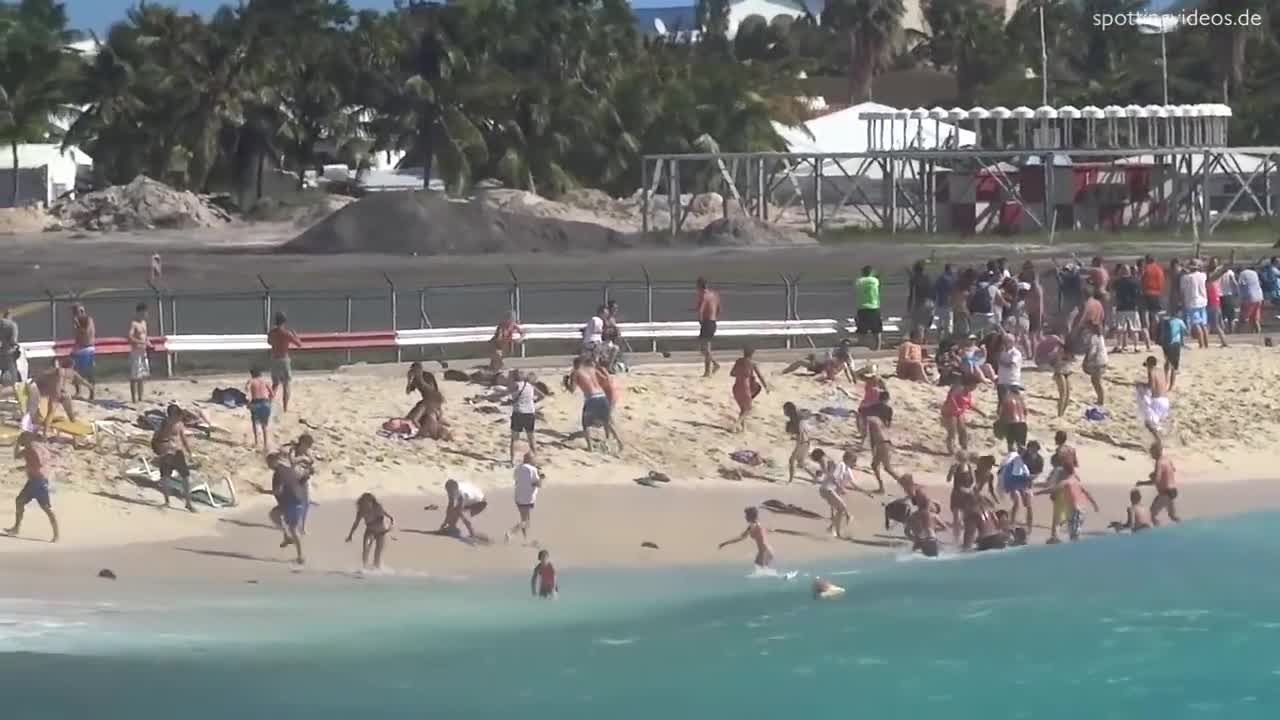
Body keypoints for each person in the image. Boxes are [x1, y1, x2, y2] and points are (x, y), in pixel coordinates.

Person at [4, 432, 59, 542]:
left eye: (21, 440)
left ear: (26, 439)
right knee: (21, 502)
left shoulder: (34, 449)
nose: (21, 442)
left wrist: (28, 468)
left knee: (45, 507)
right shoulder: (29, 448)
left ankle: (56, 534)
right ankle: (16, 528)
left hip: (38, 482)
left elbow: (41, 463)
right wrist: (17, 445)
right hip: (34, 481)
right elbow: (17, 456)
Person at [568, 355, 623, 453]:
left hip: (591, 398)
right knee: (607, 421)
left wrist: (566, 383)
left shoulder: (575, 372)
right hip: (602, 395)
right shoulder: (591, 369)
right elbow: (604, 379)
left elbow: (572, 389)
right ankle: (619, 442)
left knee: (586, 424)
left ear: (575, 365)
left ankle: (590, 447)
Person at [152, 404, 195, 512]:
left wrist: (190, 452)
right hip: (166, 453)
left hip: (178, 452)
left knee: (185, 477)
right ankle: (167, 501)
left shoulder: (179, 424)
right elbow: (155, 439)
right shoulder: (163, 424)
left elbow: (183, 439)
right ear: (172, 415)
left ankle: (188, 503)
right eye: (177, 415)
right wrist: (159, 450)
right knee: (165, 477)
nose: (179, 417)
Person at [35, 359, 91, 437]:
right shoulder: (72, 373)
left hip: (55, 394)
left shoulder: (56, 371)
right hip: (65, 394)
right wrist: (90, 388)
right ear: (72, 366)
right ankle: (78, 434)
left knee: (50, 414)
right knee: (71, 416)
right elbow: (83, 381)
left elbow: (43, 375)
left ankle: (45, 434)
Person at [267, 452, 305, 564]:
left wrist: (263, 491)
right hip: (296, 500)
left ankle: (300, 555)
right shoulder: (288, 469)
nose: (268, 465)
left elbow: (278, 491)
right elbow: (299, 480)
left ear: (274, 461)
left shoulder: (278, 473)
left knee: (293, 529)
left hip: (291, 503)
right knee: (275, 514)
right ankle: (287, 536)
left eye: (268, 462)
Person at [503, 370, 544, 465]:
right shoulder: (529, 386)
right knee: (531, 438)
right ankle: (535, 458)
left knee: (515, 438)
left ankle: (512, 460)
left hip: (518, 413)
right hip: (530, 413)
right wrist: (532, 402)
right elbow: (542, 396)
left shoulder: (515, 385)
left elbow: (504, 393)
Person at [346, 492, 394, 570]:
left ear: (372, 502)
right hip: (370, 531)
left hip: (381, 532)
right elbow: (356, 523)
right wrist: (350, 535)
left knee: (377, 552)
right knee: (366, 548)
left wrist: (390, 524)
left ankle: (376, 568)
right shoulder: (361, 511)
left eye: (368, 503)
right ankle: (364, 567)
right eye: (364, 503)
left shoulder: (378, 507)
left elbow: (386, 516)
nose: (367, 505)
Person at [267, 312, 303, 413]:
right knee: (286, 384)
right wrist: (296, 336)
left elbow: (269, 342)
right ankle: (285, 408)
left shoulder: (271, 332)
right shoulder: (287, 333)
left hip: (274, 358)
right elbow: (299, 344)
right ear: (284, 321)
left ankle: (269, 403)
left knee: (275, 384)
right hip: (284, 359)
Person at [863, 394, 898, 494]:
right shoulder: (888, 410)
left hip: (881, 442)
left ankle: (905, 485)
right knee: (880, 466)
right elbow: (888, 425)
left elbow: (872, 436)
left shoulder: (871, 417)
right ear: (887, 399)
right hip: (885, 440)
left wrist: (873, 448)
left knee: (887, 468)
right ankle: (883, 487)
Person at [405, 362, 450, 439]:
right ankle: (437, 419)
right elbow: (408, 392)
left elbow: (432, 390)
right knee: (413, 416)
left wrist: (420, 379)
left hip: (433, 398)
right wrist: (409, 381)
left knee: (421, 414)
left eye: (416, 369)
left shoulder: (427, 376)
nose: (415, 371)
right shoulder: (415, 379)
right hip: (426, 399)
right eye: (413, 370)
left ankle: (439, 418)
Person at [1057, 461, 1099, 542]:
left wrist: (1038, 493)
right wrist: (1095, 505)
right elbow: (1087, 492)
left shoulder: (1067, 481)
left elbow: (1054, 488)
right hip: (1077, 509)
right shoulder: (1075, 479)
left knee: (1074, 534)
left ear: (1065, 470)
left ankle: (1077, 549)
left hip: (1076, 509)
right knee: (1073, 533)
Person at [506, 452, 542, 543]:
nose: (535, 460)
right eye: (534, 459)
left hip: (518, 497)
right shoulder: (533, 469)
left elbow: (516, 480)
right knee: (525, 521)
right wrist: (541, 477)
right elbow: (537, 484)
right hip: (527, 498)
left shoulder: (517, 468)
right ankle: (511, 532)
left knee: (525, 520)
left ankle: (526, 539)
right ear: (531, 459)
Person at [1139, 443, 1180, 525]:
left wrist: (1142, 483)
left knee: (1151, 515)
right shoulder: (1167, 460)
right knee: (1173, 516)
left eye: (1151, 452)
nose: (1150, 454)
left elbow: (1156, 481)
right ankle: (1183, 528)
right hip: (1173, 491)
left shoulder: (1159, 462)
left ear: (1156, 451)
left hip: (1165, 493)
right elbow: (1173, 470)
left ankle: (1159, 532)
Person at [1111, 264, 1148, 353]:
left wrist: (1114, 303)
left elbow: (1113, 294)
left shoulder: (1117, 282)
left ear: (1121, 271)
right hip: (1132, 307)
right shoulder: (1135, 281)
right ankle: (1136, 346)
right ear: (1129, 271)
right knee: (1134, 328)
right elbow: (1139, 294)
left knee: (1120, 328)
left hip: (1121, 307)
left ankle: (1119, 346)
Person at [729, 347, 768, 433]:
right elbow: (760, 376)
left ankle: (743, 428)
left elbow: (732, 373)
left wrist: (741, 373)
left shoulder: (738, 361)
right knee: (748, 408)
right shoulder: (752, 363)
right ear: (753, 353)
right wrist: (766, 387)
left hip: (736, 387)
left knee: (743, 409)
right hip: (745, 388)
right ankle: (736, 425)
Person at [998, 447, 1033, 537]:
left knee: (1028, 504)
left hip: (1020, 480)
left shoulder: (1023, 466)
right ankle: (1011, 524)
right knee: (1017, 501)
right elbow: (1006, 478)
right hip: (1009, 481)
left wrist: (1027, 490)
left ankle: (1029, 527)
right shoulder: (1012, 462)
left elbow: (1028, 481)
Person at [1136, 356, 1171, 445]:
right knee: (1155, 423)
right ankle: (1160, 440)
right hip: (1165, 400)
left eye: (1147, 365)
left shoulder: (1151, 372)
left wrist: (1140, 385)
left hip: (1157, 401)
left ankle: (1159, 442)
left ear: (1149, 364)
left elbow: (1151, 386)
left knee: (1149, 424)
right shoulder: (1161, 371)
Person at [945, 452, 977, 544]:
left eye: (964, 459)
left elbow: (974, 481)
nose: (962, 461)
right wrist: (951, 471)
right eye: (961, 459)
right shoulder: (955, 467)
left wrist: (969, 489)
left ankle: (968, 539)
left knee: (968, 518)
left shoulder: (970, 467)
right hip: (957, 495)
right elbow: (948, 479)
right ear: (958, 459)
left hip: (968, 496)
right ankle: (956, 539)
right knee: (957, 519)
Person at [1179, 259, 1210, 349]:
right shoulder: (1203, 276)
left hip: (1192, 302)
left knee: (1196, 324)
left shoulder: (1185, 278)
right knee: (1203, 324)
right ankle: (1206, 344)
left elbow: (1182, 291)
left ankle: (1201, 344)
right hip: (1203, 301)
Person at [940, 379, 976, 455]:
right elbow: (951, 398)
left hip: (958, 413)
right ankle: (950, 450)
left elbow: (969, 405)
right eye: (973, 386)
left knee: (963, 431)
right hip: (949, 412)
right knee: (952, 432)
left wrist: (981, 412)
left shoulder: (968, 393)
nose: (974, 388)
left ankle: (964, 449)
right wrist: (956, 407)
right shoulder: (959, 389)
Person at [695, 277, 721, 377]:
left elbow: (700, 310)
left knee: (704, 348)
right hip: (713, 322)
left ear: (699, 286)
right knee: (706, 348)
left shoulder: (703, 295)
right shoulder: (714, 294)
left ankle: (712, 366)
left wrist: (700, 321)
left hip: (707, 322)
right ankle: (710, 369)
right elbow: (719, 308)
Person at [69, 304, 96, 400]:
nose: (74, 315)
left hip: (86, 349)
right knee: (74, 370)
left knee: (88, 372)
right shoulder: (80, 321)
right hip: (80, 348)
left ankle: (91, 391)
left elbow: (86, 332)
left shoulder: (88, 320)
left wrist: (77, 325)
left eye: (76, 312)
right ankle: (78, 391)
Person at [783, 401, 814, 484]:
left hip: (802, 442)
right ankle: (815, 477)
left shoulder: (797, 418)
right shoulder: (798, 417)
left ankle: (790, 481)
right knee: (801, 463)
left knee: (792, 460)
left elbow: (800, 431)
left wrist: (799, 440)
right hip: (806, 442)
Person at [245, 366, 274, 453]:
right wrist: (269, 401)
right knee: (264, 426)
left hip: (255, 403)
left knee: (254, 423)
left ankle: (256, 442)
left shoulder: (251, 381)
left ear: (252, 374)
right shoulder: (265, 381)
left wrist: (248, 402)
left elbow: (246, 391)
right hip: (265, 403)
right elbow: (272, 394)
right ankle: (265, 445)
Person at [1155, 312, 1187, 390]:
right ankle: (1172, 385)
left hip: (1165, 343)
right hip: (1175, 343)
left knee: (1167, 361)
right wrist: (1182, 342)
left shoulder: (1163, 321)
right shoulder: (1179, 321)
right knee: (1174, 366)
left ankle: (1165, 382)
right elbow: (1185, 331)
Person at [855, 265, 883, 350]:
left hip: (862, 307)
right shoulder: (875, 281)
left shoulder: (859, 281)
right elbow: (876, 279)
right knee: (877, 330)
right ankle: (877, 348)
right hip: (874, 307)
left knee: (861, 330)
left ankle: (862, 347)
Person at [127, 302, 150, 403]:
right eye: (144, 312)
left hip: (143, 351)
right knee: (134, 376)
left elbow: (145, 336)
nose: (146, 314)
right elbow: (130, 337)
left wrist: (148, 342)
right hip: (136, 351)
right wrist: (141, 342)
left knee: (142, 375)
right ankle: (133, 399)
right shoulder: (134, 323)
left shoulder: (144, 323)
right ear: (139, 312)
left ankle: (141, 397)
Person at [907, 260, 935, 338]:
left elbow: (912, 294)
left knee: (919, 326)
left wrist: (909, 306)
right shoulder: (928, 278)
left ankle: (920, 346)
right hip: (930, 303)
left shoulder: (913, 279)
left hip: (920, 303)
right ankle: (925, 343)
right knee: (926, 326)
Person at [997, 386, 1028, 454]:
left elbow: (1001, 413)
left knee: (1010, 445)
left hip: (1010, 424)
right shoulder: (1021, 399)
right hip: (1022, 423)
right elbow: (1025, 412)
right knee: (1021, 446)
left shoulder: (1006, 398)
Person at [1082, 327, 1108, 406]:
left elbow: (1092, 351)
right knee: (1096, 381)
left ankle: (1101, 400)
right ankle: (1100, 399)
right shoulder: (1099, 336)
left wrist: (1086, 361)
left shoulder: (1093, 337)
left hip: (1098, 362)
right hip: (1103, 360)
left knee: (1096, 381)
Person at [1140, 254, 1166, 333]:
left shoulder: (1145, 268)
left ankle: (1147, 332)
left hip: (1146, 293)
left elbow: (1142, 281)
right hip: (1157, 294)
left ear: (1147, 260)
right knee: (1155, 315)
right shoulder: (1159, 269)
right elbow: (1162, 283)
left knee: (1145, 314)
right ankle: (1154, 333)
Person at [1238, 263, 1264, 334]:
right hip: (1259, 297)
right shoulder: (1254, 273)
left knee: (1243, 319)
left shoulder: (1242, 274)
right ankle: (1258, 334)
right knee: (1255, 319)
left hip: (1249, 298)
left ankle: (1237, 333)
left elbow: (1240, 284)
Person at [1051, 339, 1074, 418]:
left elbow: (1072, 359)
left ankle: (1062, 414)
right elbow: (1057, 359)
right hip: (1059, 372)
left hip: (1067, 371)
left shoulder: (1071, 350)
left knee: (1067, 396)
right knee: (1063, 394)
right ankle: (1059, 414)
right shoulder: (1060, 349)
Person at [1216, 259, 1239, 333]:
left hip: (1218, 295)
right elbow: (1234, 283)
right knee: (1231, 317)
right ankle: (1231, 332)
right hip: (1228, 295)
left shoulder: (1217, 271)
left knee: (1221, 317)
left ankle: (1223, 332)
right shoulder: (1229, 272)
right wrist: (1237, 292)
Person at [934, 263, 955, 340]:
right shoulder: (951, 279)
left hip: (940, 302)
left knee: (940, 321)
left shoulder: (940, 278)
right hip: (948, 303)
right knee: (948, 322)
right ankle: (947, 338)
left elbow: (935, 289)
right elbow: (952, 291)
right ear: (950, 269)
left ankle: (938, 337)